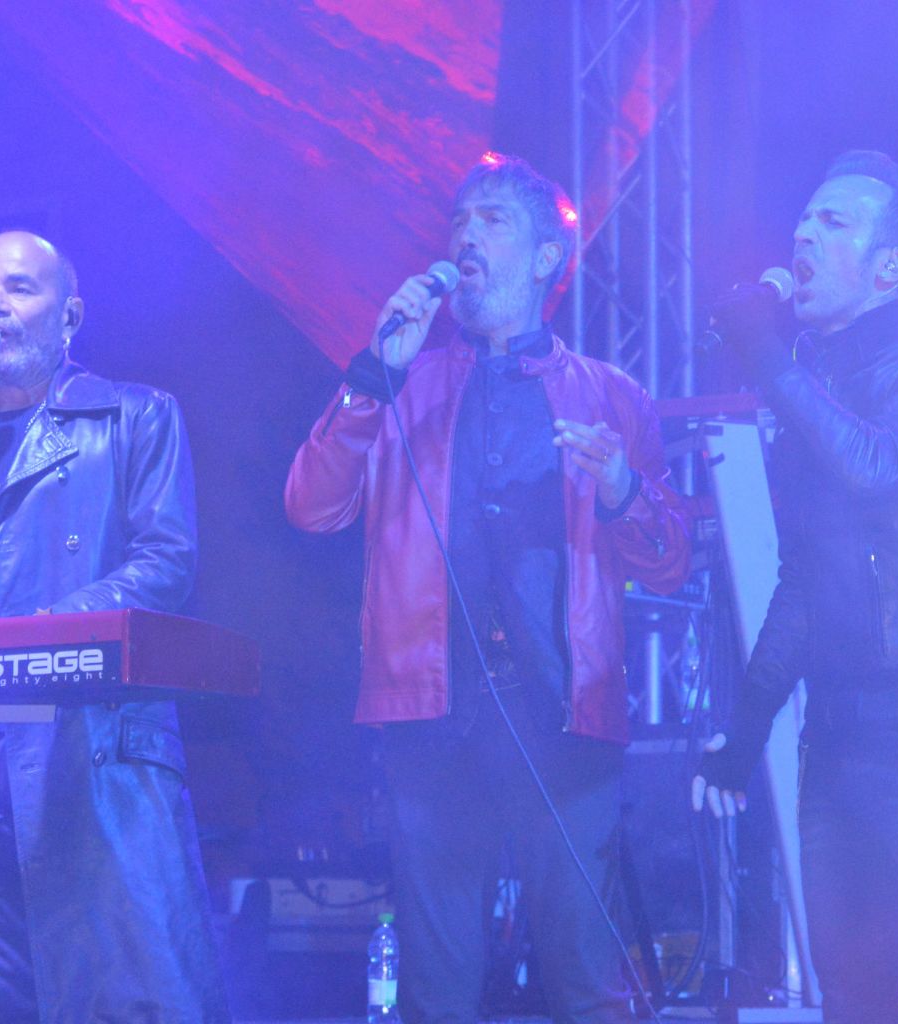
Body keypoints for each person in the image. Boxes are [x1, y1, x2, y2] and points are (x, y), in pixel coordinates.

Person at [285, 153, 691, 1024]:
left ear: (547, 258)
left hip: (564, 719)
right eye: (459, 221)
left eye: (493, 220)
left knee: (585, 980)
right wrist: (370, 377)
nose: (466, 236)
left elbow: (671, 561)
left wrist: (622, 488)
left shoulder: (612, 396)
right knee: (437, 991)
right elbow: (312, 508)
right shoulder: (405, 382)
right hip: (432, 716)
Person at [692, 151, 898, 1023]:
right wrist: (746, 729)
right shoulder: (810, 387)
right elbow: (803, 582)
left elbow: (874, 466)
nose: (802, 234)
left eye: (833, 221)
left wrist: (769, 359)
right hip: (836, 742)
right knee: (849, 999)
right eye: (803, 217)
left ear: (890, 268)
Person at [0, 231, 228, 1023]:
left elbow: (167, 561)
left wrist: (46, 627)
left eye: (19, 287)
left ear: (69, 315)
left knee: (122, 989)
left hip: (92, 748)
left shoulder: (136, 416)